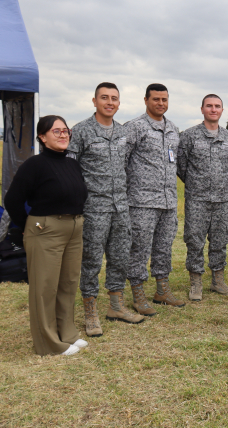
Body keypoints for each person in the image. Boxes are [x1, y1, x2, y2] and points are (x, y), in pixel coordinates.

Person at [4, 115, 89, 356]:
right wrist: (27, 227)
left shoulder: (72, 163)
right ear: (42, 137)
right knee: (45, 287)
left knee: (68, 283)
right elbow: (13, 200)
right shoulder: (35, 165)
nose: (63, 135)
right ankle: (49, 344)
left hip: (73, 228)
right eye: (56, 131)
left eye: (65, 131)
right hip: (45, 230)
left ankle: (67, 333)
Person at [68, 82, 144, 337]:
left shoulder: (123, 133)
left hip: (121, 207)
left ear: (119, 103)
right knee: (91, 260)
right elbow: (70, 170)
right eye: (104, 98)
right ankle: (90, 312)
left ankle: (116, 306)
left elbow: (127, 166)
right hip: (94, 208)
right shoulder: (81, 131)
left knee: (120, 257)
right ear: (94, 101)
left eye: (114, 98)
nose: (109, 102)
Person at [123, 83, 185, 314]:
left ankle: (162, 290)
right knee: (139, 248)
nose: (161, 103)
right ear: (146, 100)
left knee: (164, 247)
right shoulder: (135, 128)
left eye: (164, 99)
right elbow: (122, 161)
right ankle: (138, 294)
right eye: (156, 99)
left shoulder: (172, 129)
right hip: (141, 202)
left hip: (168, 201)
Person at [177, 94, 228, 301]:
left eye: (217, 106)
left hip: (221, 198)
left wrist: (219, 183)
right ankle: (195, 282)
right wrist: (197, 183)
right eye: (209, 106)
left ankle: (218, 280)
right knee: (194, 239)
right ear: (202, 109)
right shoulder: (189, 136)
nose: (213, 109)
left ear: (222, 110)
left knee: (220, 239)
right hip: (197, 198)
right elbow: (181, 166)